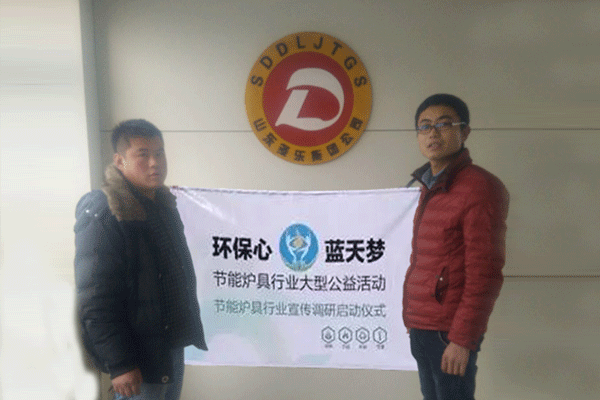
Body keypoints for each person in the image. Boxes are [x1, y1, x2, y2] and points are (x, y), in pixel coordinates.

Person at [74, 119, 207, 399]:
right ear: (119, 160)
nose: (154, 163)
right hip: (136, 356)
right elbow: (96, 298)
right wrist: (120, 363)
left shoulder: (163, 205)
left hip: (168, 345)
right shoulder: (106, 209)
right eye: (143, 154)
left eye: (159, 153)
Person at [403, 94, 509, 400]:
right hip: (423, 324)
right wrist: (413, 318)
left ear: (465, 131)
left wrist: (463, 339)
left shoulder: (479, 187)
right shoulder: (429, 185)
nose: (433, 133)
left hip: (449, 331)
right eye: (425, 126)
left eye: (444, 124)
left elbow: (485, 272)